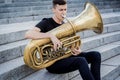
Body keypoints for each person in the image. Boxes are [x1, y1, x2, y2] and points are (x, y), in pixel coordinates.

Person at [25, 0, 101, 80]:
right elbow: (28, 34)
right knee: (81, 61)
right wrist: (50, 36)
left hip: (66, 58)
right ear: (53, 10)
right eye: (61, 10)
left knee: (96, 55)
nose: (63, 12)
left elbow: (69, 46)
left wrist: (76, 50)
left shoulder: (65, 25)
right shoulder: (46, 22)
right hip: (53, 64)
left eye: (65, 9)